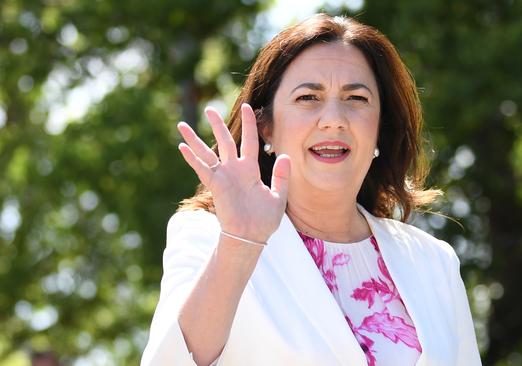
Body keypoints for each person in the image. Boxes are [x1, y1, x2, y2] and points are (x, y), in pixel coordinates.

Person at [142, 13, 481, 366]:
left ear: (381, 127)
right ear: (267, 127)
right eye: (308, 98)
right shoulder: (209, 236)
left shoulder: (434, 261)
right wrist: (240, 244)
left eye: (356, 99)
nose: (334, 118)